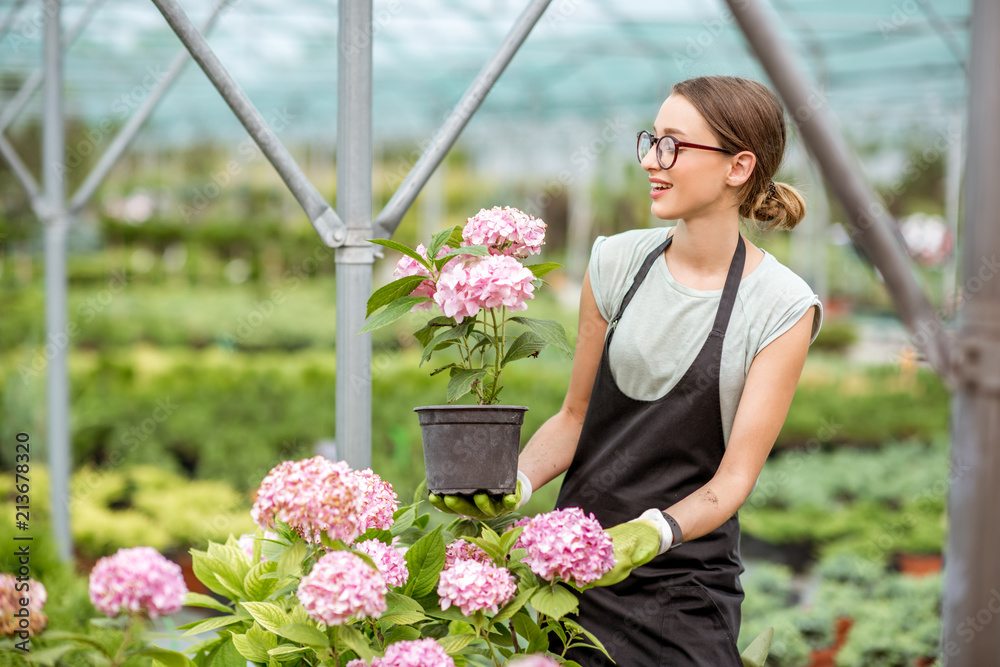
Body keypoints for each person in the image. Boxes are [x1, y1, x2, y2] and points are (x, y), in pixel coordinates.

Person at [430, 75, 823, 665]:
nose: (649, 160)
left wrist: (650, 534)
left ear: (738, 166)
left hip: (685, 590)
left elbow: (733, 481)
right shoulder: (616, 262)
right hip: (573, 583)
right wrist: (518, 482)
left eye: (673, 145)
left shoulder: (781, 306)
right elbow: (574, 416)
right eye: (651, 140)